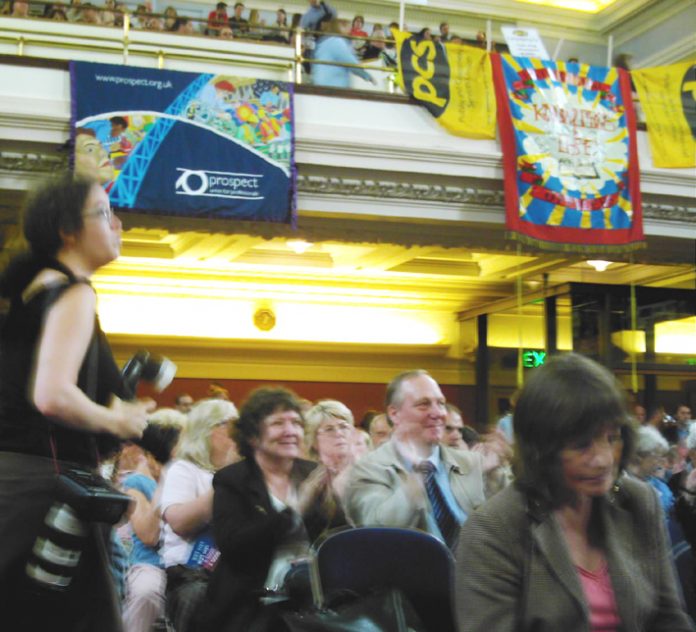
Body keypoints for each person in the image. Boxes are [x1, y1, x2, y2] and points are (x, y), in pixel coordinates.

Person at [0, 173, 153, 631]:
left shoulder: (33, 293)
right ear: (68, 230)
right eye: (105, 214)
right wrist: (116, 417)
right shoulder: (73, 291)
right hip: (46, 492)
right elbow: (52, 395)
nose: (118, 224)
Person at [455, 352, 693, 632]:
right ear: (541, 449)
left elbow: (668, 619)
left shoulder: (639, 501)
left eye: (612, 437)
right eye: (582, 444)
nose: (603, 458)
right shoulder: (493, 528)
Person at [198, 387, 318, 632]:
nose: (290, 431)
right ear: (252, 436)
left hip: (309, 601)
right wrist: (292, 513)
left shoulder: (313, 474)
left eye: (296, 422)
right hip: (251, 603)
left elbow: (332, 537)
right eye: (277, 423)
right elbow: (234, 546)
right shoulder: (233, 480)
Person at [344, 369, 505, 551]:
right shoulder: (368, 469)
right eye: (423, 405)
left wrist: (495, 477)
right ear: (394, 414)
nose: (438, 413)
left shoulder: (473, 463)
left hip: (475, 574)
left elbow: (507, 527)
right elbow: (376, 534)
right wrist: (414, 483)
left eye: (441, 403)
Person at [159, 397, 239, 632]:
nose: (239, 434)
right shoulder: (184, 469)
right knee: (203, 600)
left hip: (236, 571)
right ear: (207, 430)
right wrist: (228, 477)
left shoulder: (246, 474)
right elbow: (180, 523)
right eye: (231, 425)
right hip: (192, 574)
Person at [121, 410, 184, 632]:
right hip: (151, 563)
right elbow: (148, 536)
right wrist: (166, 483)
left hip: (190, 561)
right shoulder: (136, 482)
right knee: (146, 591)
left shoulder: (193, 475)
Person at [301, 399, 354, 539]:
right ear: (314, 441)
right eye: (329, 429)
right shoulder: (304, 477)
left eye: (344, 426)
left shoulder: (369, 472)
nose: (339, 433)